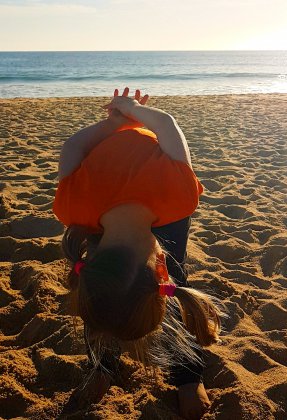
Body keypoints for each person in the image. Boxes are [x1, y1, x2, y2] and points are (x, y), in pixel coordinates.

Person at [53, 87, 222, 420]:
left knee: (138, 294)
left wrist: (118, 121)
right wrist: (126, 113)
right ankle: (101, 368)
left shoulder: (76, 208)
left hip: (130, 213)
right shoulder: (178, 195)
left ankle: (187, 377)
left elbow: (163, 125)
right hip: (155, 207)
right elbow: (166, 126)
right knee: (106, 301)